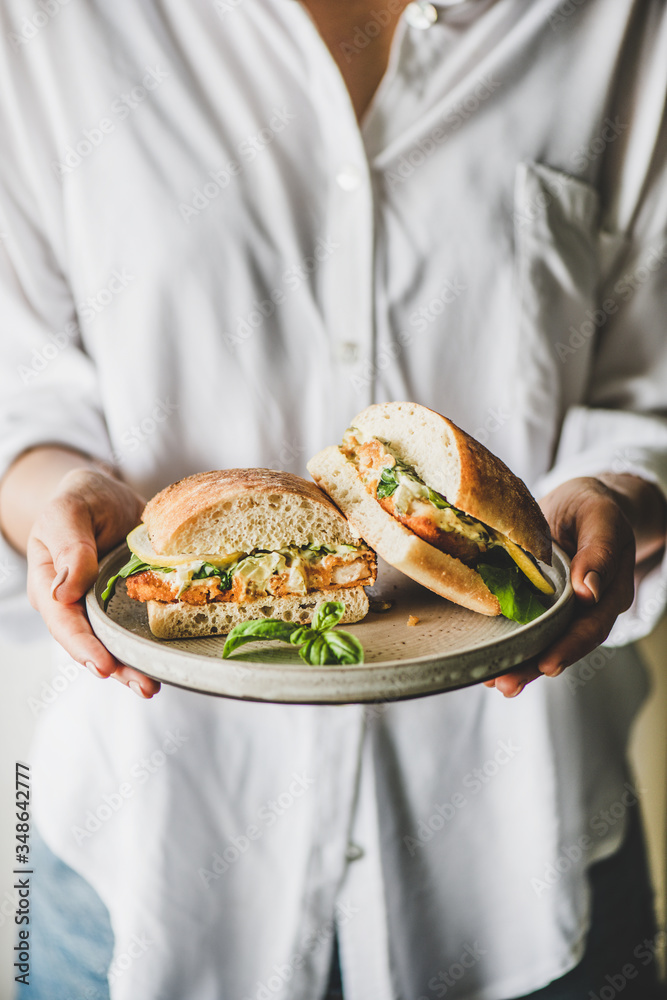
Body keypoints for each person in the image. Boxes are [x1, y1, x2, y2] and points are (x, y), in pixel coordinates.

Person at [1, 0, 666, 997]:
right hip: (143, 864)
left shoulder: (620, 21)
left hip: (522, 871)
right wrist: (55, 491)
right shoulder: (51, 24)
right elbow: (22, 380)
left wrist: (617, 492)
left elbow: (646, 384)